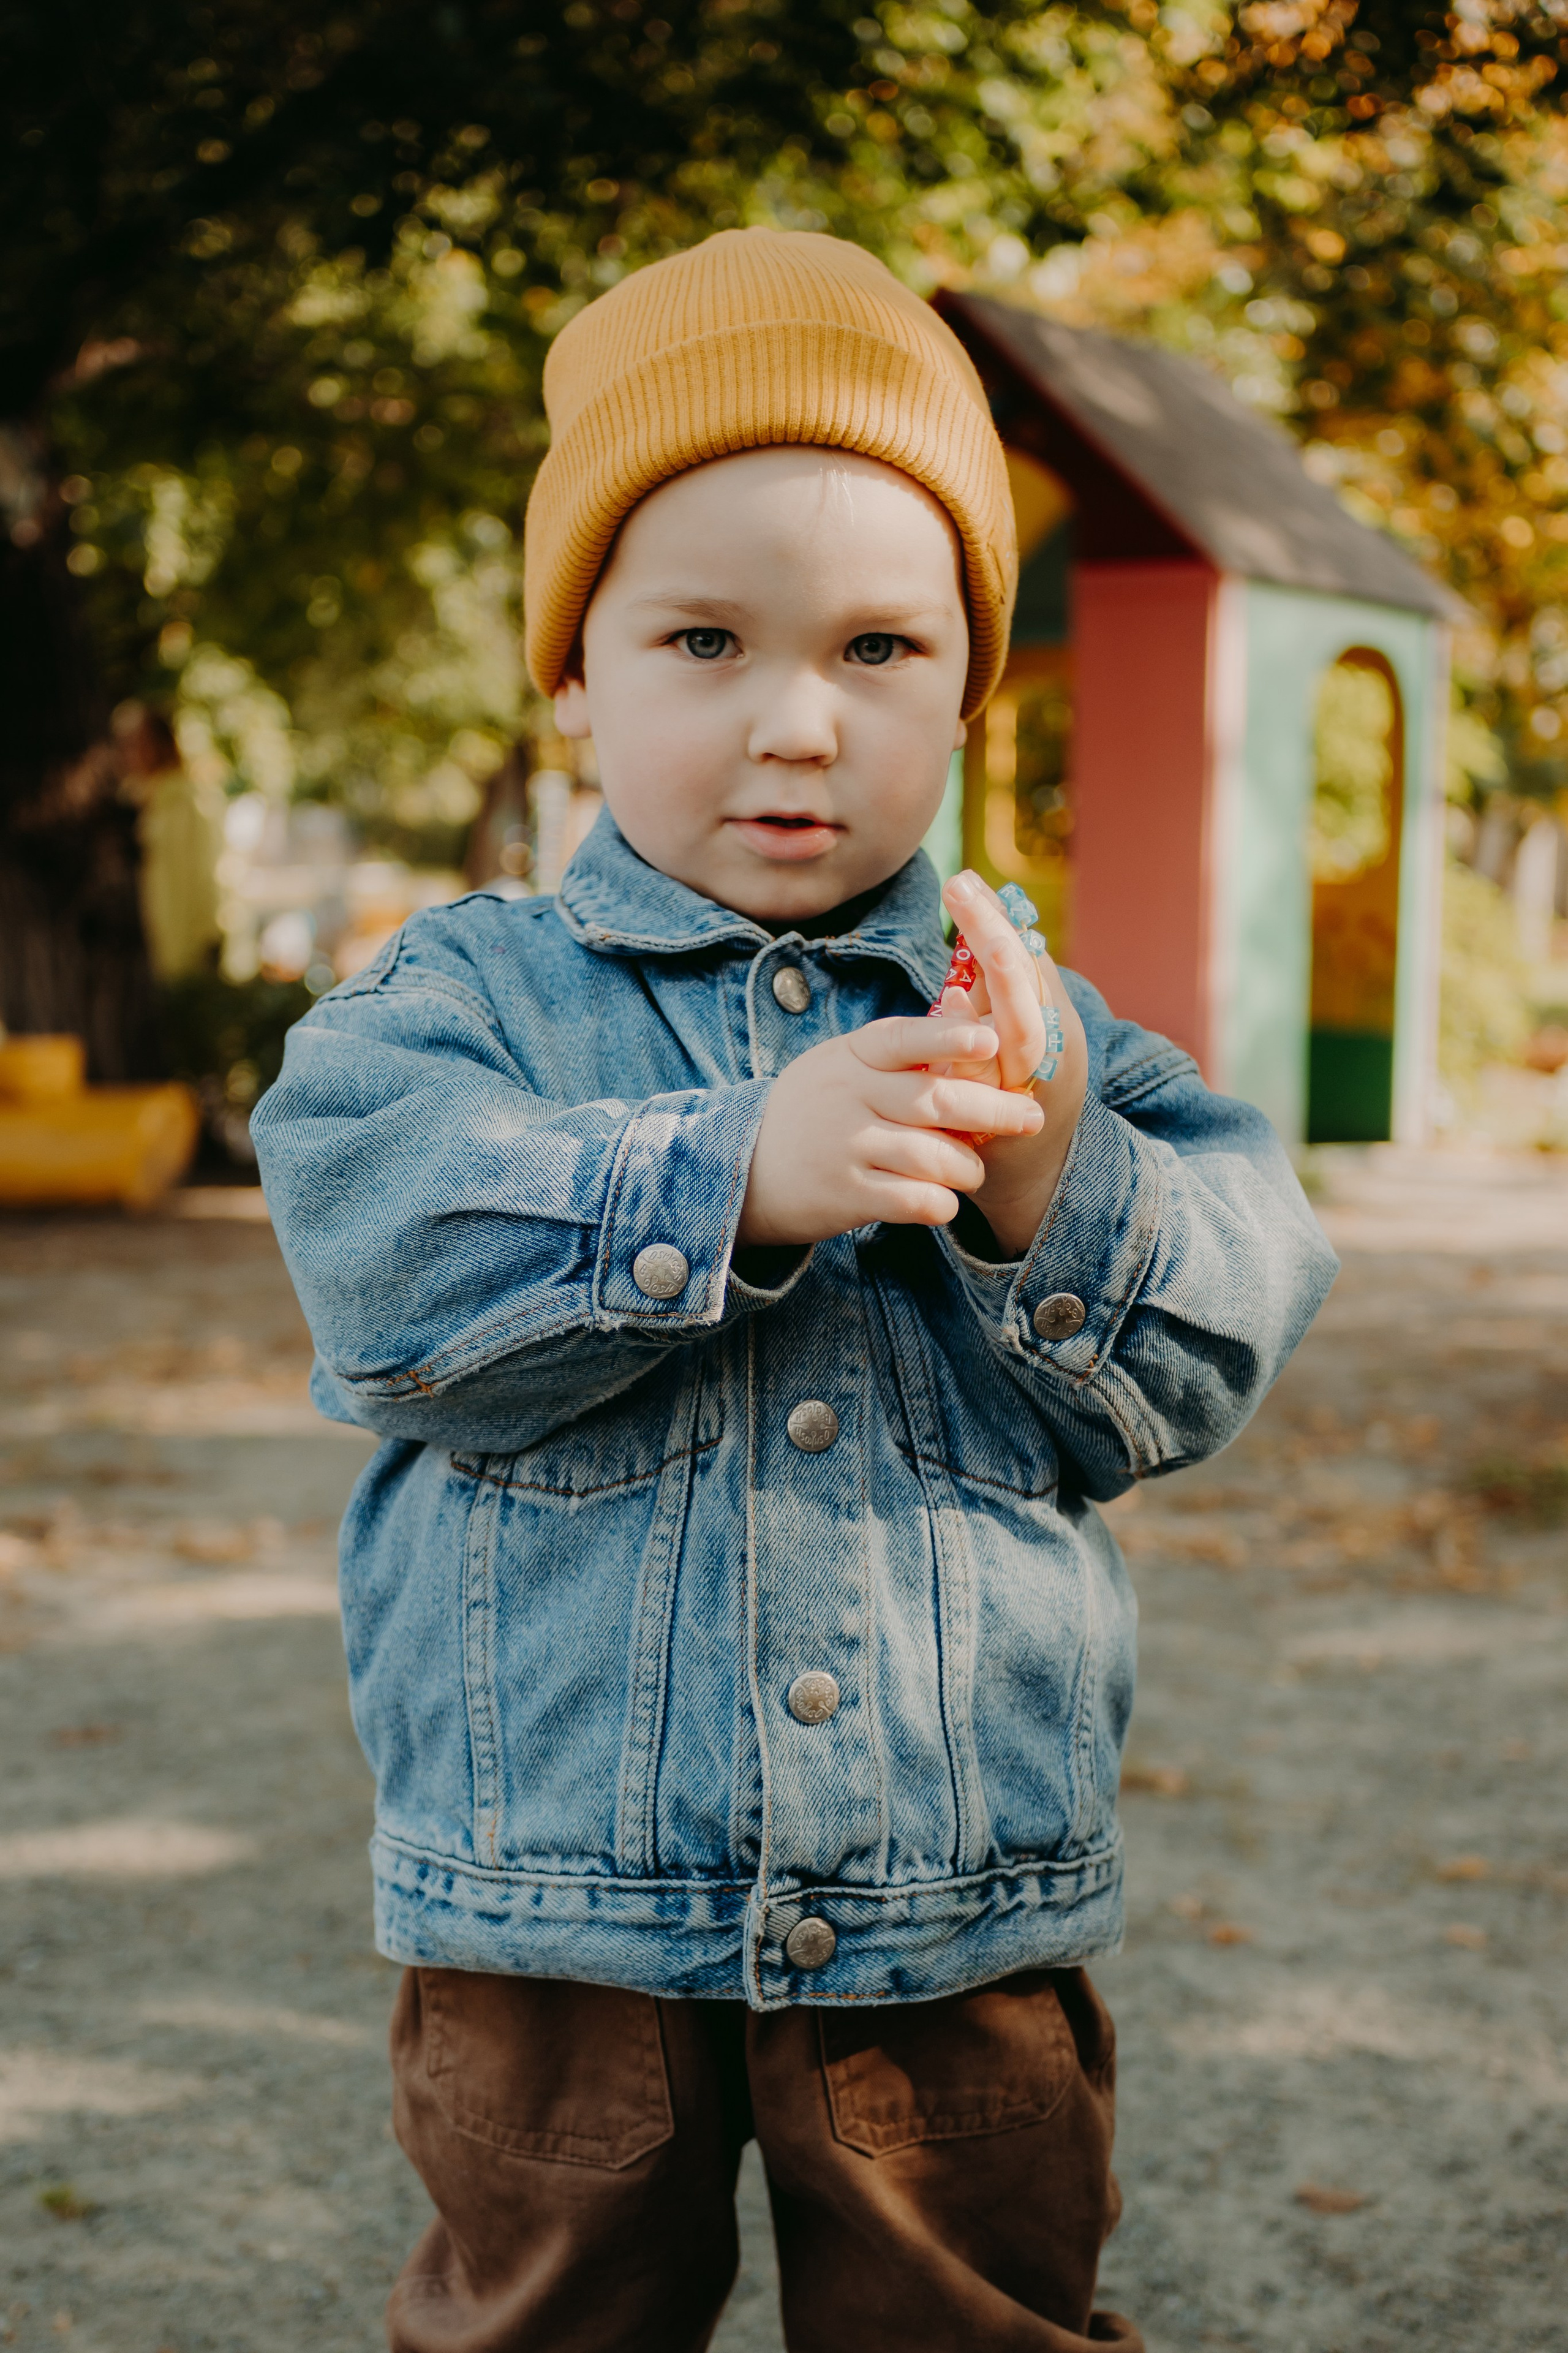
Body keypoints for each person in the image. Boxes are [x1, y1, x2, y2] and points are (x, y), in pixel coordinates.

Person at [253, 231, 1336, 2353]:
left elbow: (1224, 1327)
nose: (795, 719)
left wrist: (1047, 1171)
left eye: (874, 646)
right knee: (543, 2328)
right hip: (554, 1905)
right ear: (573, 673)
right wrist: (728, 1170)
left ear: (965, 684)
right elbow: (382, 1265)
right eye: (703, 639)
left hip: (954, 1894)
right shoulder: (455, 1002)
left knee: (976, 2322)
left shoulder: (1024, 1018)